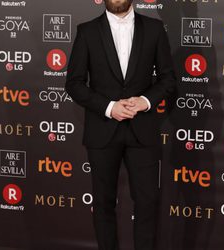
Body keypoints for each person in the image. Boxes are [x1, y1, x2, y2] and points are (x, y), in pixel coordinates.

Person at [65, 0, 176, 249]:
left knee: (147, 203)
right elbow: (74, 83)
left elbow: (168, 80)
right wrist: (109, 107)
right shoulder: (87, 31)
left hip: (143, 131)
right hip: (102, 130)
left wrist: (145, 101)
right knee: (103, 204)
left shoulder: (155, 29)